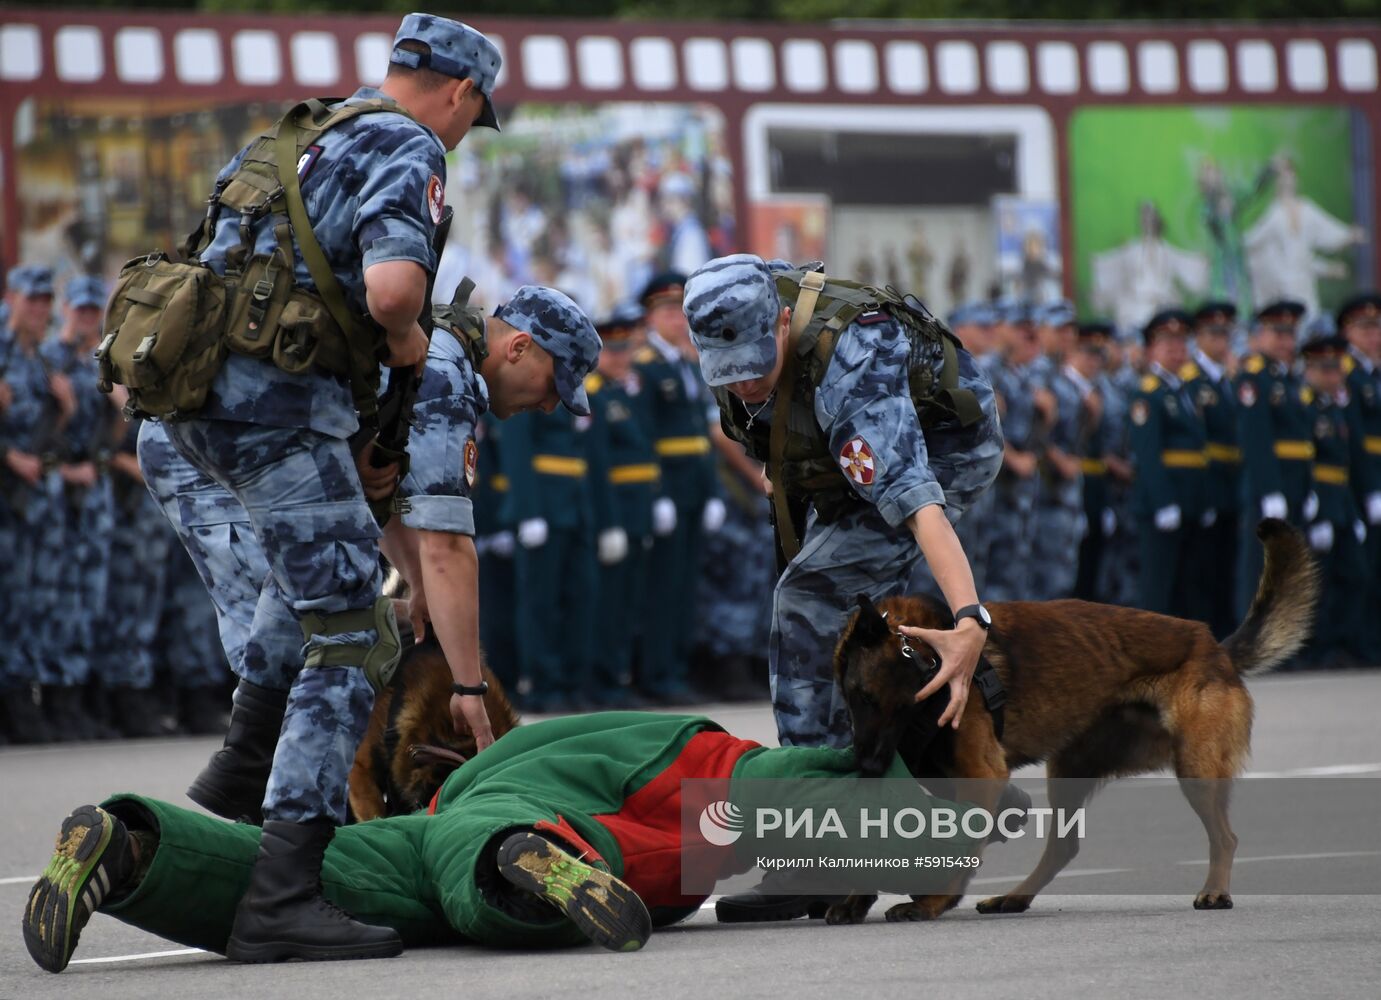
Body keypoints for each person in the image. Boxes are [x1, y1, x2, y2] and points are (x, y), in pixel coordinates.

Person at [113, 13, 504, 962]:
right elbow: (393, 294)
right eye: (474, 114)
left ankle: (197, 823)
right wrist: (408, 345)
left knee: (300, 622)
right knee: (347, 630)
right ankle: (282, 890)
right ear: (458, 92)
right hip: (276, 417)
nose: (463, 130)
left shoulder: (294, 133)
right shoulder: (406, 144)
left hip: (195, 413)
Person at [24, 711, 983, 973]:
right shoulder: (581, 744)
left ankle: (129, 844)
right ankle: (531, 868)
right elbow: (789, 775)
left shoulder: (441, 799)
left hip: (475, 822)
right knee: (713, 826)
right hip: (632, 783)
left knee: (334, 874)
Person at [682, 253, 1003, 921]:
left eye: (753, 365)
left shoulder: (854, 357)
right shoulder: (728, 316)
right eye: (726, 371)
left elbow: (918, 502)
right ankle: (879, 808)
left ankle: (818, 853)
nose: (741, 383)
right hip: (831, 466)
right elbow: (775, 448)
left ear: (777, 324)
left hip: (943, 455)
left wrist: (969, 619)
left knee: (804, 603)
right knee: (810, 611)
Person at [635, 271, 721, 703]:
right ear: (650, 317)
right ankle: (657, 674)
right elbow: (644, 439)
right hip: (666, 490)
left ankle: (676, 670)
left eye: (679, 311)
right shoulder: (644, 368)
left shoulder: (686, 364)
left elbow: (701, 438)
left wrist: (714, 493)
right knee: (661, 590)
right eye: (667, 311)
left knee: (685, 589)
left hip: (692, 492)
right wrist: (659, 496)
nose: (675, 320)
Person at [0, 265, 67, 744]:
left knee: (29, 604)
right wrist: (9, 455)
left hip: (32, 504)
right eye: (32, 299)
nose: (39, 308)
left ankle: (25, 702)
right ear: (12, 298)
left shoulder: (41, 359)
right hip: (7, 497)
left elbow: (47, 439)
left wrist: (66, 412)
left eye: (46, 300)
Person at [1234, 299, 1315, 622]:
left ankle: (1282, 643)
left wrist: (1309, 488)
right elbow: (1257, 439)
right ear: (1260, 335)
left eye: (1289, 334)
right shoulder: (1255, 377)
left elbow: (1304, 441)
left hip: (1294, 483)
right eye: (1277, 334)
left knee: (1289, 571)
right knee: (1259, 569)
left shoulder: (1290, 379)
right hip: (1269, 484)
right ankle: (1251, 641)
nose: (1285, 342)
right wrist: (1269, 489)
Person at [1128, 309, 1210, 619]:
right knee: (1157, 585)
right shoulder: (1148, 394)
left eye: (1181, 343)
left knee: (1188, 583)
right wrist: (1164, 501)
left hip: (1189, 499)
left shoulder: (1187, 391)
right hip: (1162, 503)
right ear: (1151, 351)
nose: (1177, 350)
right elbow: (1148, 455)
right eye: (1167, 344)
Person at [1297, 334, 1370, 668]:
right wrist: (1314, 508)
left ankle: (1342, 643)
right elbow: (1304, 460)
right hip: (1320, 503)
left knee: (1355, 575)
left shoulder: (1336, 409)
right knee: (1317, 584)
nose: (1332, 377)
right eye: (1325, 370)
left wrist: (1353, 510)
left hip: (1342, 502)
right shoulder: (1305, 405)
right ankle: (1316, 649)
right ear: (1309, 371)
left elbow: (1346, 463)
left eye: (1336, 370)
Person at [1181, 301, 1242, 637]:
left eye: (1225, 334)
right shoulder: (1193, 380)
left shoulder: (1229, 380)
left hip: (1231, 483)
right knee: (1203, 566)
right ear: (1199, 337)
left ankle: (1224, 629)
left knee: (1226, 564)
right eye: (1213, 334)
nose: (1221, 341)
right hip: (1206, 484)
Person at [1339, 292, 1381, 665]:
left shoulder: (1375, 373)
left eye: (1377, 327)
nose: (1374, 336)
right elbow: (1350, 438)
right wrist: (1368, 489)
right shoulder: (1346, 375)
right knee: (1361, 567)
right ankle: (1360, 642)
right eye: (1365, 328)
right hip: (1359, 482)